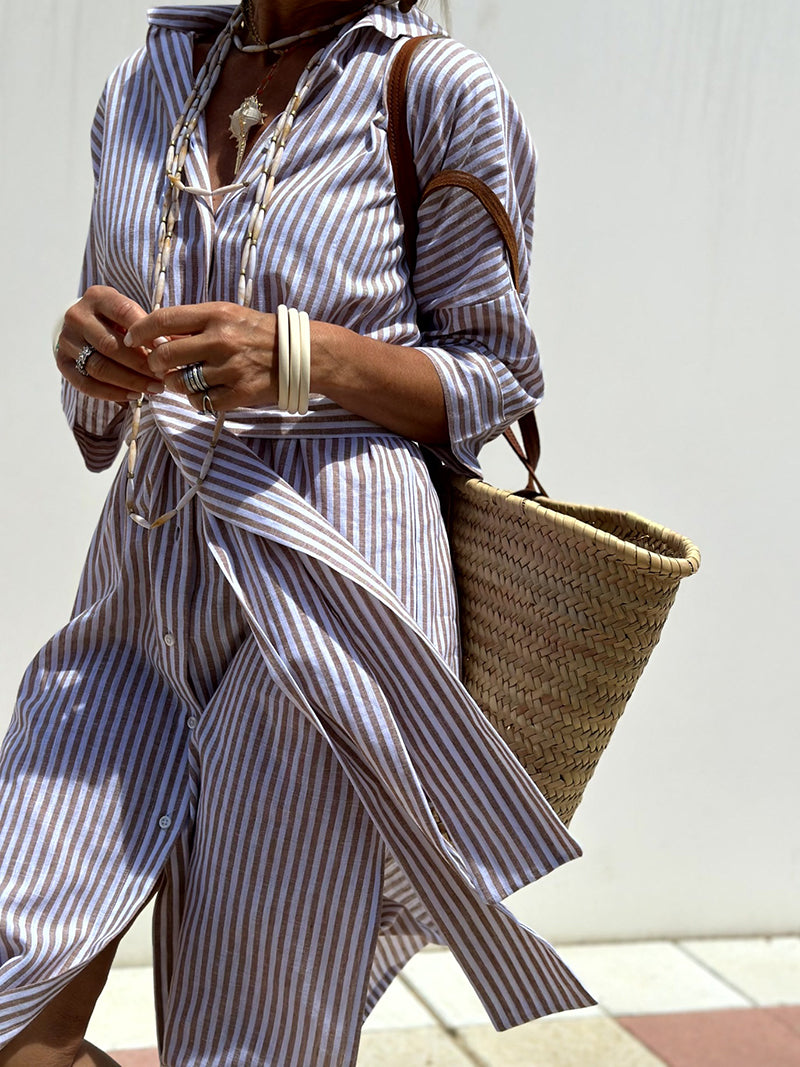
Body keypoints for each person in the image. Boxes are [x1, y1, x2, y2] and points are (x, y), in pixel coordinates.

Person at [0, 1, 596, 1064]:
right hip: (144, 567)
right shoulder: (145, 86)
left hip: (332, 576)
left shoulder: (434, 88)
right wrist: (83, 353)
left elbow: (496, 376)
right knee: (18, 1006)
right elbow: (99, 419)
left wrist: (301, 355)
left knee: (253, 1035)